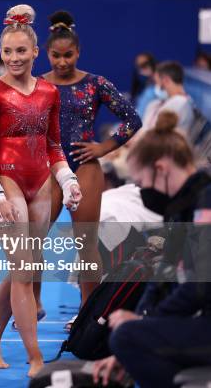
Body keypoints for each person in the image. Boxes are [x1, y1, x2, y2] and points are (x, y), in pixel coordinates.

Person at [0, 4, 81, 377]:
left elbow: (53, 144)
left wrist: (68, 179)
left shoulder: (50, 92)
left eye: (21, 51)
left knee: (27, 265)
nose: (14, 58)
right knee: (23, 269)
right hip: (9, 182)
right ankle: (35, 356)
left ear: (36, 52)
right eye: (7, 51)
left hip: (42, 182)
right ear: (1, 53)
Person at [92, 111, 211, 387]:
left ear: (161, 168)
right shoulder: (178, 208)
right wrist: (143, 324)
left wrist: (142, 327)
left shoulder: (204, 201)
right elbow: (162, 277)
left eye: (142, 183)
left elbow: (200, 287)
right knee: (126, 336)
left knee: (125, 336)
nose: (143, 191)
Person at [40, 10, 141, 330]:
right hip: (49, 167)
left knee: (86, 243)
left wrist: (103, 147)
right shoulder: (37, 84)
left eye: (68, 55)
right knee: (33, 239)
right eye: (56, 55)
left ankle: (88, 312)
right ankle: (31, 303)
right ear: (47, 53)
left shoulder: (95, 84)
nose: (62, 62)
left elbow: (132, 119)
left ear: (78, 52)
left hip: (84, 165)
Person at [130, 52, 158, 119]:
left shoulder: (157, 91)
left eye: (144, 65)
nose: (141, 70)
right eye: (138, 66)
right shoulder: (142, 88)